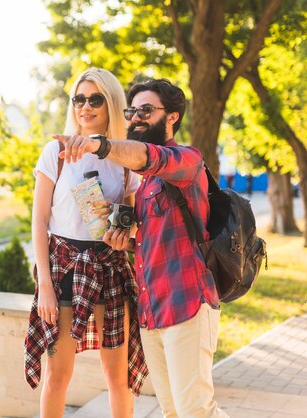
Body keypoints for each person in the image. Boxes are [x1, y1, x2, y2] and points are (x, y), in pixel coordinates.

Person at [54, 78, 228, 417]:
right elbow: (152, 243)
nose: (135, 117)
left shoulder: (186, 161)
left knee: (197, 410)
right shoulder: (147, 184)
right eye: (132, 110)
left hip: (187, 306)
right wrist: (125, 243)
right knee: (173, 411)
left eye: (146, 110)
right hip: (152, 312)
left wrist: (97, 145)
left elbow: (148, 156)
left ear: (173, 117)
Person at [24, 68, 148, 418]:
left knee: (118, 377)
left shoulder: (125, 160)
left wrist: (125, 235)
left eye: (96, 99)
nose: (86, 107)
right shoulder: (55, 151)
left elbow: (134, 225)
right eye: (79, 98)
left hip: (111, 270)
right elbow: (39, 221)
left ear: (111, 103)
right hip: (64, 268)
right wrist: (44, 286)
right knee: (57, 376)